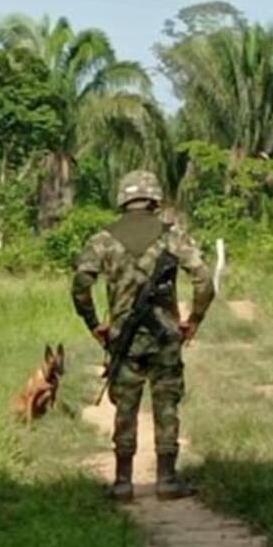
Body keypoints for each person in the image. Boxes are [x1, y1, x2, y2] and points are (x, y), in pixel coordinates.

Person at [71, 170, 215, 502]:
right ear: (154, 199)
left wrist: (94, 324)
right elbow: (204, 280)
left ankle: (123, 482)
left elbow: (80, 284)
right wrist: (193, 319)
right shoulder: (173, 236)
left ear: (123, 199)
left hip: (123, 339)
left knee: (125, 407)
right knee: (166, 405)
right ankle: (167, 479)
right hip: (165, 337)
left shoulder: (103, 239)